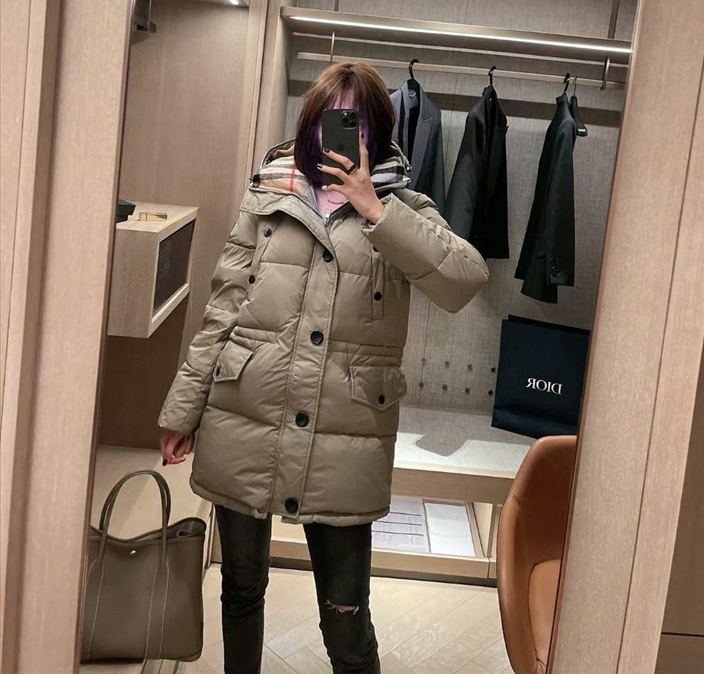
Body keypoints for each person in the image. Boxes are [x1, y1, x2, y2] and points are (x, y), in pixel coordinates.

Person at [158, 62, 489, 674]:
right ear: (309, 123)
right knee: (240, 589)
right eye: (329, 118)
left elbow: (464, 280)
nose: (339, 134)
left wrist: (374, 208)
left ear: (377, 132)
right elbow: (223, 308)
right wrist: (184, 408)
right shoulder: (267, 196)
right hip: (244, 415)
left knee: (346, 618)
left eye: (354, 122)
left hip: (345, 437)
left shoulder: (401, 207)